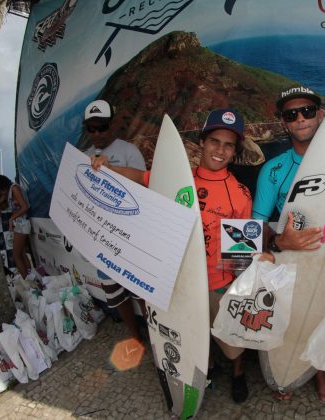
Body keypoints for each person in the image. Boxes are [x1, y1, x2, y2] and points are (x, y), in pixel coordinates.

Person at [92, 108, 261, 403]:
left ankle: (237, 372)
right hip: (178, 279)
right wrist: (106, 168)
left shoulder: (241, 194)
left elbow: (242, 253)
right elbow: (140, 177)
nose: (220, 150)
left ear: (235, 151)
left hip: (217, 283)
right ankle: (205, 373)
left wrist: (239, 288)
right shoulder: (177, 179)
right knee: (191, 337)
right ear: (203, 143)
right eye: (214, 141)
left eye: (228, 144)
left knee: (231, 339)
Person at [252, 86, 325, 401]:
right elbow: (257, 224)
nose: (300, 118)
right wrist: (278, 240)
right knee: (287, 319)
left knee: (321, 316)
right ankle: (282, 372)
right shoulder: (273, 170)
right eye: (291, 114)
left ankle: (320, 374)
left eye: (307, 111)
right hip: (289, 257)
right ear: (284, 123)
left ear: (320, 115)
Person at [82, 99, 147, 342]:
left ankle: (154, 334)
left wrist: (112, 172)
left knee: (141, 290)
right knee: (116, 294)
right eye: (91, 129)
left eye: (102, 127)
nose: (97, 134)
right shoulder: (83, 157)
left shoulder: (129, 151)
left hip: (131, 237)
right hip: (103, 240)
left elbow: (143, 187)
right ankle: (135, 338)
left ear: (113, 125)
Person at [0, 174, 32, 279]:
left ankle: (27, 280)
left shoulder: (14, 189)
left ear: (3, 187)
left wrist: (11, 218)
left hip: (23, 224)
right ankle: (32, 277)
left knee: (16, 256)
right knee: (22, 253)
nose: (0, 194)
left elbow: (25, 207)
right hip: (21, 224)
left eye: (0, 191)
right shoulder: (11, 191)